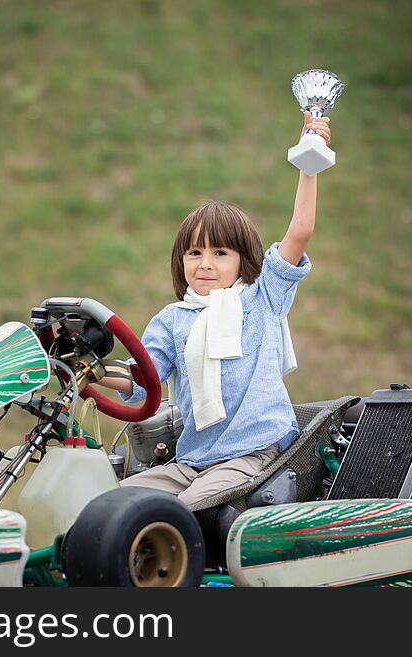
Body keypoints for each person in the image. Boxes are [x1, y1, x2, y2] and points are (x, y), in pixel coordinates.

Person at [98, 112, 332, 508]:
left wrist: (310, 162)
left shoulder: (263, 296)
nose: (205, 263)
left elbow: (300, 231)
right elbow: (143, 379)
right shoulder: (172, 320)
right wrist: (87, 370)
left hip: (256, 454)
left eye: (220, 253)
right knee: (111, 503)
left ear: (244, 260)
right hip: (193, 462)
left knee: (183, 508)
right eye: (195, 252)